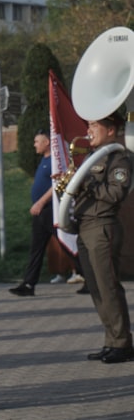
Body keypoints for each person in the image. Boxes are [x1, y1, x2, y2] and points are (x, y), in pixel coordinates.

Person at [74, 111, 133, 364]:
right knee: (97, 289)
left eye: (94, 125)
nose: (89, 130)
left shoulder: (118, 158)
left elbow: (116, 193)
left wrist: (88, 185)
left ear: (111, 130)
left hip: (103, 227)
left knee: (108, 287)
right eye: (89, 125)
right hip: (85, 227)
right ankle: (111, 339)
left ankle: (123, 342)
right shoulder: (92, 157)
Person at [9, 129, 57, 296]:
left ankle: (89, 277)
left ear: (47, 142)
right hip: (40, 213)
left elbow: (56, 185)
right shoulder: (44, 160)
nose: (34, 144)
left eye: (37, 141)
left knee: (66, 243)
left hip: (49, 210)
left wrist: (41, 202)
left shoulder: (53, 161)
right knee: (36, 248)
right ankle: (29, 284)